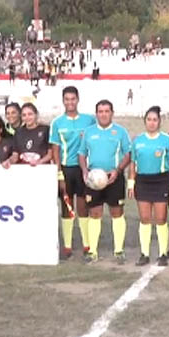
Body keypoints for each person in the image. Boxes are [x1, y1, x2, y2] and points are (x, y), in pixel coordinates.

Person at [78, 99, 132, 264]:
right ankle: (93, 251)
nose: (103, 114)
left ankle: (119, 250)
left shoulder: (120, 132)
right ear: (96, 114)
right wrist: (85, 171)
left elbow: (128, 154)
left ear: (112, 113)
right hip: (94, 179)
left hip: (113, 178)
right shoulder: (88, 132)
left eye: (106, 111)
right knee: (95, 213)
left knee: (117, 213)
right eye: (100, 111)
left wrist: (118, 170)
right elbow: (81, 154)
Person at [49, 86, 96, 260]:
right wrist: (59, 172)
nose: (70, 102)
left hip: (83, 168)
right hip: (66, 169)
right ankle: (67, 246)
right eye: (67, 99)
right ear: (63, 101)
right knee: (66, 207)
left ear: (78, 99)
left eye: (73, 99)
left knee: (83, 206)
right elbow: (55, 149)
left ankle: (87, 243)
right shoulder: (57, 123)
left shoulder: (89, 120)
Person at [130, 106, 169, 267]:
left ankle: (162, 253)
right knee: (144, 218)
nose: (152, 123)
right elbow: (133, 163)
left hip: (161, 181)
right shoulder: (138, 140)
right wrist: (131, 183)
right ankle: (144, 254)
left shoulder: (166, 139)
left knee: (160, 218)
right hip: (142, 181)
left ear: (159, 121)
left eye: (155, 120)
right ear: (145, 121)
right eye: (149, 120)